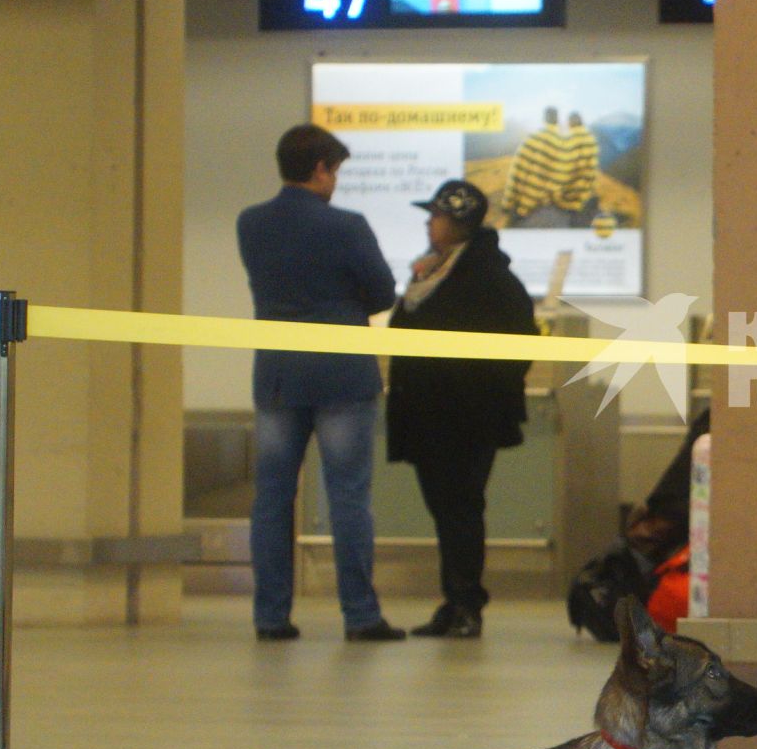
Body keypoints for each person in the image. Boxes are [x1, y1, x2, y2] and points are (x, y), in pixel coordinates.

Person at [236, 124, 405, 642]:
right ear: (320, 169)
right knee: (348, 497)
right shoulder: (348, 226)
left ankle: (270, 616)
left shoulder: (252, 223)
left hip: (278, 376)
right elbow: (380, 294)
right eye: (335, 171)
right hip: (341, 374)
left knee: (272, 499)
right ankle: (359, 614)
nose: (336, 182)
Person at [386, 180, 538, 638]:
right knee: (446, 510)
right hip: (428, 415)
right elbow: (402, 329)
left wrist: (476, 390)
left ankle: (467, 603)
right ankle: (454, 601)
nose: (429, 223)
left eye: (435, 215)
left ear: (457, 222)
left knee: (461, 509)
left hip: (465, 419)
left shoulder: (489, 276)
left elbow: (519, 343)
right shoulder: (434, 272)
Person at [501, 106, 596, 228]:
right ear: (558, 120)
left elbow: (516, 173)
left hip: (523, 208)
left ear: (544, 118)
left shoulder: (532, 139)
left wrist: (507, 203)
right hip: (548, 208)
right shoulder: (564, 144)